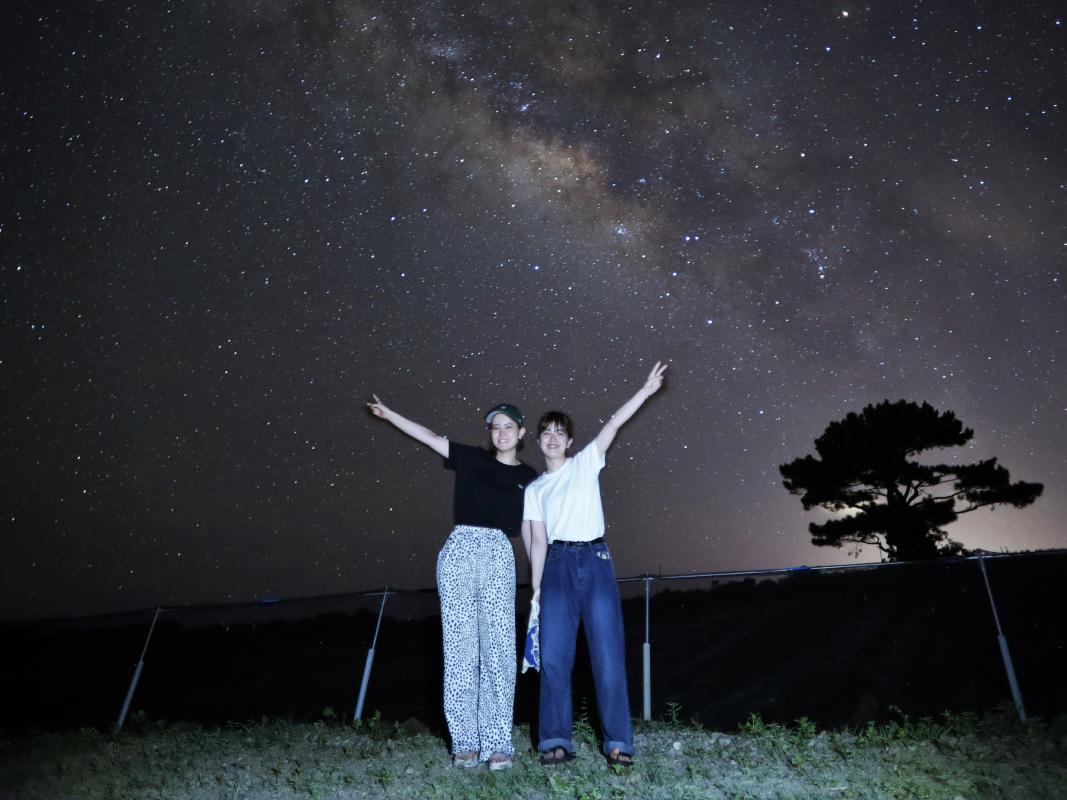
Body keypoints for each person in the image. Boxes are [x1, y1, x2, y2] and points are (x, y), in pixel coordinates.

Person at [367, 395, 537, 771]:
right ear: (490, 433)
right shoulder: (472, 459)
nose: (502, 433)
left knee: (498, 651)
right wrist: (390, 414)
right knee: (460, 651)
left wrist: (538, 580)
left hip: (498, 554)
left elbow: (531, 532)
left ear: (522, 432)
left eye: (509, 427)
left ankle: (497, 743)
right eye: (496, 427)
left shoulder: (530, 478)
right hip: (460, 549)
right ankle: (465, 742)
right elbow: (429, 437)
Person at [523, 361, 668, 768]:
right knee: (554, 657)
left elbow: (614, 424)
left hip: (595, 560)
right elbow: (536, 541)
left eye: (560, 432)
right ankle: (555, 739)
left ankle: (618, 742)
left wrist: (645, 391)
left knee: (607, 655)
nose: (553, 438)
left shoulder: (585, 462)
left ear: (570, 441)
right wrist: (536, 590)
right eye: (546, 432)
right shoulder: (534, 489)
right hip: (556, 567)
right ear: (538, 440)